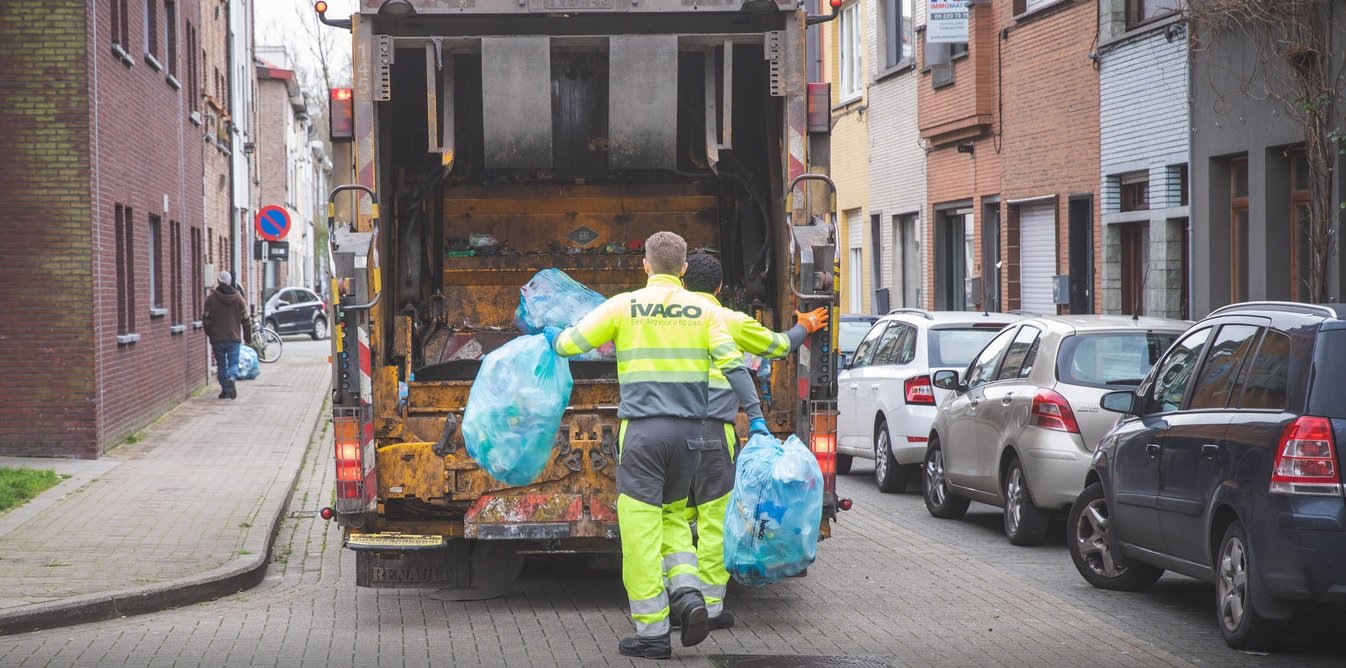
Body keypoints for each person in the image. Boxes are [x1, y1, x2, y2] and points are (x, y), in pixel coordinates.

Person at [549, 232, 759, 659]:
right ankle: (688, 594)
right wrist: (755, 417)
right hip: (692, 438)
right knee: (673, 519)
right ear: (684, 269)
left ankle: (652, 634)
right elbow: (734, 366)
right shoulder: (704, 310)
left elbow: (568, 345)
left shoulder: (623, 306)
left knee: (642, 532)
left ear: (645, 266)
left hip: (644, 436)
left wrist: (557, 333)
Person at [678, 252, 829, 629]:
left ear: (681, 281)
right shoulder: (726, 319)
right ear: (717, 287)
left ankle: (680, 597)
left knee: (674, 520)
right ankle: (710, 609)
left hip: (665, 433)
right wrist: (805, 326)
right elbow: (779, 346)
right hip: (713, 434)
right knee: (714, 522)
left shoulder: (662, 318)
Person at [203, 271, 252, 400]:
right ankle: (232, 377)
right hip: (234, 337)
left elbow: (206, 320)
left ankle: (225, 390)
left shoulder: (211, 299)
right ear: (230, 282)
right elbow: (246, 320)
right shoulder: (238, 299)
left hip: (217, 338)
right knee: (233, 363)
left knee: (221, 364)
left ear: (218, 282)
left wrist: (210, 333)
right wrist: (248, 337)